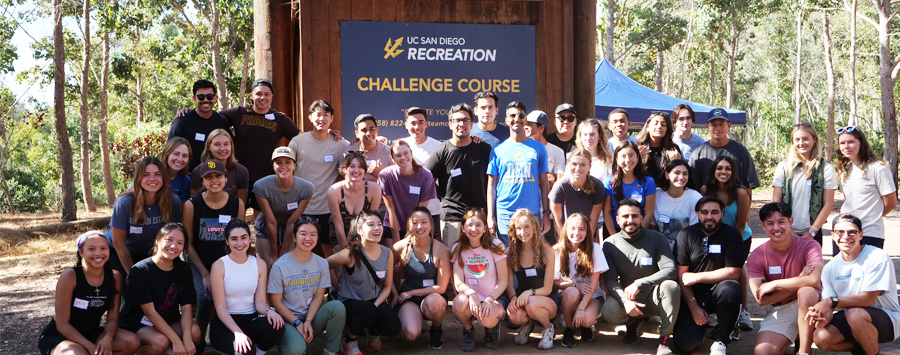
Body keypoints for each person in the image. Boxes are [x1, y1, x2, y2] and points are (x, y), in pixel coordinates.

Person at [806, 214, 900, 355]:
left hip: (887, 318)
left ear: (861, 235)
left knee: (854, 313)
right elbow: (829, 309)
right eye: (840, 232)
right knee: (821, 337)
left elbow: (868, 300)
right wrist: (820, 317)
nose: (845, 236)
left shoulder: (877, 256)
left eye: (852, 232)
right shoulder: (830, 268)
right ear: (832, 235)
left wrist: (830, 302)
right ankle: (861, 349)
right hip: (851, 317)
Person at [38, 231, 140, 355]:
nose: (98, 253)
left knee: (131, 342)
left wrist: (107, 338)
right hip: (61, 334)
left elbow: (112, 318)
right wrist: (90, 347)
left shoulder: (115, 277)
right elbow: (62, 324)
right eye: (91, 249)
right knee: (78, 353)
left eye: (103, 248)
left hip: (92, 332)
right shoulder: (70, 276)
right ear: (81, 252)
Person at [601, 199, 679, 355]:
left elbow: (670, 269)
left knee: (671, 287)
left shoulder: (657, 238)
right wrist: (624, 300)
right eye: (625, 216)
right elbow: (609, 280)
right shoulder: (610, 244)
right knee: (608, 310)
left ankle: (663, 340)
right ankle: (632, 323)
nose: (630, 220)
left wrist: (639, 283)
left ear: (642, 218)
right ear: (617, 219)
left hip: (654, 296)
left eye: (635, 216)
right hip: (628, 300)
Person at [747, 202, 824, 355]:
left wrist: (775, 284)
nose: (776, 228)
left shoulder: (810, 245)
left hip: (814, 305)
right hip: (782, 308)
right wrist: (800, 279)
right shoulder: (756, 256)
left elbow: (814, 280)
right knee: (763, 352)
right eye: (770, 223)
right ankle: (794, 336)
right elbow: (761, 299)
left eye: (781, 221)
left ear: (790, 222)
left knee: (806, 292)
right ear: (763, 226)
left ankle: (803, 352)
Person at [671, 196, 743, 355]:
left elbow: (734, 272)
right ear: (697, 214)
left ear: (722, 214)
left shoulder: (732, 235)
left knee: (731, 288)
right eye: (704, 212)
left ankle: (721, 340)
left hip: (721, 291)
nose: (709, 216)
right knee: (685, 345)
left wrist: (697, 277)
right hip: (694, 295)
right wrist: (693, 307)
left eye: (715, 212)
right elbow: (682, 277)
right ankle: (700, 328)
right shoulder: (685, 235)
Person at [183, 159, 246, 342]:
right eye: (208, 177)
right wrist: (204, 273)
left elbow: (240, 240)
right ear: (202, 182)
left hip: (228, 264)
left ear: (226, 179)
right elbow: (189, 245)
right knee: (206, 298)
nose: (214, 180)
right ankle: (200, 339)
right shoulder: (191, 205)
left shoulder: (237, 204)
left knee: (233, 294)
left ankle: (228, 336)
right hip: (198, 264)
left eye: (218, 175)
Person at [119, 223, 202, 355]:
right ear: (157, 241)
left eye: (180, 243)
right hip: (139, 323)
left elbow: (186, 307)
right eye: (169, 240)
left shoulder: (184, 269)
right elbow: (150, 312)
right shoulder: (139, 271)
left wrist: (186, 339)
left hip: (168, 320)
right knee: (160, 341)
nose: (174, 246)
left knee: (194, 331)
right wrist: (176, 340)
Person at [221, 79, 301, 214]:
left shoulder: (280, 119)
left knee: (261, 223)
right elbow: (212, 118)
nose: (262, 97)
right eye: (258, 94)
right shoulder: (239, 113)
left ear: (272, 96)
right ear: (251, 96)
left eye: (267, 94)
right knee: (235, 217)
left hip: (266, 177)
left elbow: (302, 137)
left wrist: (327, 132)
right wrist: (188, 112)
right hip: (238, 176)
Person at [327, 210, 401, 355]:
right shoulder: (350, 253)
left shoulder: (387, 253)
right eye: (371, 224)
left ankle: (372, 331)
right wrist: (336, 287)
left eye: (379, 224)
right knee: (366, 310)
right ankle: (349, 341)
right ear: (360, 230)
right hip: (350, 302)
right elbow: (323, 266)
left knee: (393, 327)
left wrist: (375, 306)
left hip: (373, 301)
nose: (377, 228)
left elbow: (386, 287)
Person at [269, 217, 346, 355]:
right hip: (287, 320)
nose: (308, 238)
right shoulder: (280, 266)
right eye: (303, 233)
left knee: (337, 307)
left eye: (313, 234)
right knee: (295, 350)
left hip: (311, 318)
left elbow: (318, 296)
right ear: (294, 237)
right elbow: (276, 302)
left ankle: (330, 350)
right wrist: (297, 322)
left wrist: (308, 321)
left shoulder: (321, 263)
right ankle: (291, 342)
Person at [209, 219, 285, 355]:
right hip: (225, 324)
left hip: (250, 321)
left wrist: (270, 310)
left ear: (250, 239)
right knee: (245, 353)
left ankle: (259, 353)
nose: (239, 243)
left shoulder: (259, 264)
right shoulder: (219, 266)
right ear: (227, 241)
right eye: (234, 239)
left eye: (243, 238)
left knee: (278, 325)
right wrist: (237, 333)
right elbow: (220, 308)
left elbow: (260, 302)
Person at [425, 103, 492, 249]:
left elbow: (492, 183)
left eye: (466, 120)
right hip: (452, 218)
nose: (462, 124)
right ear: (450, 124)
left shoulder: (484, 149)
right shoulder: (440, 152)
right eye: (457, 120)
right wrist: (444, 202)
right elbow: (428, 183)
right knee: (452, 259)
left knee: (479, 260)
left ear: (472, 124)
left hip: (479, 216)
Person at [289, 100, 350, 257]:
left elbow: (355, 161)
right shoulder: (297, 142)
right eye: (318, 115)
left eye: (326, 115)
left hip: (327, 208)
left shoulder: (341, 144)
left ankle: (331, 282)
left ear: (332, 118)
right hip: (302, 207)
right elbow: (286, 170)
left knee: (328, 250)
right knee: (299, 247)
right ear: (310, 117)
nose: (321, 119)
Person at [487, 101, 551, 246]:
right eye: (512, 115)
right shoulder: (497, 150)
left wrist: (546, 212)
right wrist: (490, 217)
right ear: (506, 120)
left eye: (521, 115)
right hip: (505, 213)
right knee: (507, 258)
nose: (517, 119)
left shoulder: (539, 148)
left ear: (525, 120)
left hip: (532, 212)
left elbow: (545, 183)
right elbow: (491, 185)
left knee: (534, 257)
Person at [701, 156, 754, 331]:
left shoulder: (741, 192)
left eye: (728, 169)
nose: (723, 172)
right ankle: (716, 309)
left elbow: (741, 223)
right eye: (719, 168)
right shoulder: (706, 190)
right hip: (714, 238)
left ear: (733, 172)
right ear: (713, 171)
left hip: (739, 237)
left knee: (736, 270)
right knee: (714, 270)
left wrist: (731, 247)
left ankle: (744, 310)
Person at [390, 207, 452, 349]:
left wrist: (411, 292)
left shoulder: (441, 250)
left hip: (433, 296)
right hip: (408, 300)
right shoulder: (400, 247)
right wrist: (393, 293)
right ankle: (412, 320)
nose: (420, 226)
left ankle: (436, 330)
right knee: (409, 334)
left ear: (431, 224)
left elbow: (441, 287)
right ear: (409, 226)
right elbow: (385, 272)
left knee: (434, 304)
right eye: (415, 222)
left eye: (424, 222)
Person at [108, 156, 181, 275]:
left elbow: (169, 237)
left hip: (150, 254)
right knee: (127, 287)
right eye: (146, 174)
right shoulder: (125, 203)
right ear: (138, 179)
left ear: (163, 177)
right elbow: (118, 243)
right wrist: (133, 274)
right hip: (120, 252)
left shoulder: (172, 201)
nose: (152, 179)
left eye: (157, 174)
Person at [451, 208, 509, 352]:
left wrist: (489, 299)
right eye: (469, 225)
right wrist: (472, 293)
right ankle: (468, 330)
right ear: (463, 228)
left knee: (486, 320)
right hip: (471, 297)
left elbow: (503, 281)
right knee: (458, 302)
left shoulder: (495, 245)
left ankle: (492, 327)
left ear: (484, 228)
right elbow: (458, 282)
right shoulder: (458, 247)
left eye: (478, 225)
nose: (473, 229)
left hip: (494, 297)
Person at [772, 122, 837, 245]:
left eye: (805, 139)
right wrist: (786, 228)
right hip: (785, 231)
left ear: (814, 139)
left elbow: (828, 204)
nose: (801, 143)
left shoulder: (826, 169)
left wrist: (812, 232)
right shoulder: (783, 167)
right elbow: (776, 202)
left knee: (812, 265)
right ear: (792, 142)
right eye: (797, 139)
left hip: (813, 232)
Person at [834, 126, 897, 249]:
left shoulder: (878, 168)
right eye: (842, 143)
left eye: (851, 142)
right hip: (844, 232)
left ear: (861, 143)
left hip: (869, 233)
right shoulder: (845, 169)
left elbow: (891, 202)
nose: (846, 146)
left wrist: (871, 216)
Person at [505, 209, 559, 350]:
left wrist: (529, 292)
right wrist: (513, 298)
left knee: (532, 302)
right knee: (513, 315)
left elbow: (548, 288)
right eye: (519, 228)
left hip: (546, 300)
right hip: (523, 299)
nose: (523, 232)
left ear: (535, 227)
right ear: (514, 231)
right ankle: (526, 326)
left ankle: (548, 328)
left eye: (527, 227)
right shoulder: (510, 252)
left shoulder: (547, 251)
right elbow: (509, 284)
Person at [553, 213, 608, 348]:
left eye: (582, 229)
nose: (576, 233)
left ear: (587, 232)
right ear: (566, 230)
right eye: (572, 228)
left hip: (591, 296)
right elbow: (554, 282)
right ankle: (569, 330)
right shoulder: (556, 251)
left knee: (587, 319)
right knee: (572, 292)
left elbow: (593, 285)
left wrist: (581, 308)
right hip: (568, 297)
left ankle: (585, 325)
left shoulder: (594, 249)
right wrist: (576, 284)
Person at [253, 147, 314, 266]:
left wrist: (282, 254)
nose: (283, 166)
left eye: (288, 162)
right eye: (278, 162)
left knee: (286, 265)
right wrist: (274, 255)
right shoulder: (261, 186)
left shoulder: (306, 188)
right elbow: (271, 222)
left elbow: (292, 221)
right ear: (273, 166)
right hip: (267, 226)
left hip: (290, 226)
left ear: (294, 165)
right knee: (268, 265)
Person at [168, 79, 231, 172]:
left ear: (215, 98)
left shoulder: (222, 121)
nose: (205, 100)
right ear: (194, 99)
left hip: (214, 177)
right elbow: (169, 152)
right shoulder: (181, 121)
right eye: (201, 97)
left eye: (209, 96)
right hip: (187, 177)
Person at [689, 107, 759, 190]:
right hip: (706, 201)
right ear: (707, 127)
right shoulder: (698, 154)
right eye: (713, 124)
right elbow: (692, 187)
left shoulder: (741, 151)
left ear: (729, 125)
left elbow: (748, 186)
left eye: (721, 124)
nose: (717, 128)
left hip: (734, 201)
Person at [326, 152, 383, 250]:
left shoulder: (375, 189)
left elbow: (372, 222)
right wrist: (345, 251)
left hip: (365, 235)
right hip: (340, 236)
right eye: (352, 166)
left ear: (365, 170)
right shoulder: (334, 191)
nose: (356, 170)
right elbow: (338, 225)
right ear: (344, 170)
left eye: (360, 166)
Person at [549, 148, 607, 242]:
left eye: (583, 165)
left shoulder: (597, 186)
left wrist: (586, 242)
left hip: (587, 236)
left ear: (589, 167)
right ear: (568, 165)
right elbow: (557, 220)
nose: (578, 168)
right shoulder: (560, 186)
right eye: (574, 164)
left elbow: (593, 219)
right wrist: (566, 241)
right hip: (564, 236)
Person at [603, 141, 656, 235]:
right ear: (616, 160)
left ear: (638, 157)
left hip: (639, 232)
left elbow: (649, 213)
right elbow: (607, 213)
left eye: (631, 155)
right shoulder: (609, 182)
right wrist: (615, 238)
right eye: (623, 156)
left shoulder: (648, 182)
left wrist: (638, 236)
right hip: (615, 231)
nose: (628, 160)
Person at [189, 129, 250, 204]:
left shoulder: (241, 171)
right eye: (217, 144)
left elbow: (240, 205)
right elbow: (195, 204)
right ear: (209, 147)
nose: (222, 148)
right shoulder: (198, 171)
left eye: (226, 144)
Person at [651, 159, 702, 249]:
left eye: (685, 174)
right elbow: (653, 225)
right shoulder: (656, 194)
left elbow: (694, 231)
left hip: (687, 248)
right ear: (667, 175)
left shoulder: (695, 197)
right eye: (677, 173)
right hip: (661, 248)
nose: (681, 177)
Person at [636, 112, 683, 182]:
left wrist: (676, 162)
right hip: (644, 189)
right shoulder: (639, 148)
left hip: (665, 190)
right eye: (655, 123)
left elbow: (681, 174)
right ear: (647, 127)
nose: (659, 127)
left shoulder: (672, 149)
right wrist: (638, 160)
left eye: (663, 125)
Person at [347, 114, 394, 183]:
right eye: (364, 130)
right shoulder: (348, 152)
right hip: (354, 193)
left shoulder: (390, 152)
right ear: (357, 133)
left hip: (380, 193)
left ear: (377, 130)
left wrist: (380, 174)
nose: (368, 133)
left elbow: (396, 181)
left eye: (372, 129)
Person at [525, 110, 566, 186]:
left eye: (530, 124)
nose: (525, 127)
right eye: (525, 124)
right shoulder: (522, 149)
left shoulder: (557, 151)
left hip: (547, 196)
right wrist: (546, 177)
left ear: (541, 128)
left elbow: (560, 183)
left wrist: (548, 179)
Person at [159, 137, 192, 203]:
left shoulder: (185, 181)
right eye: (176, 154)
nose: (180, 159)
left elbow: (178, 209)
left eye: (185, 156)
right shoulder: (152, 171)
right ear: (167, 154)